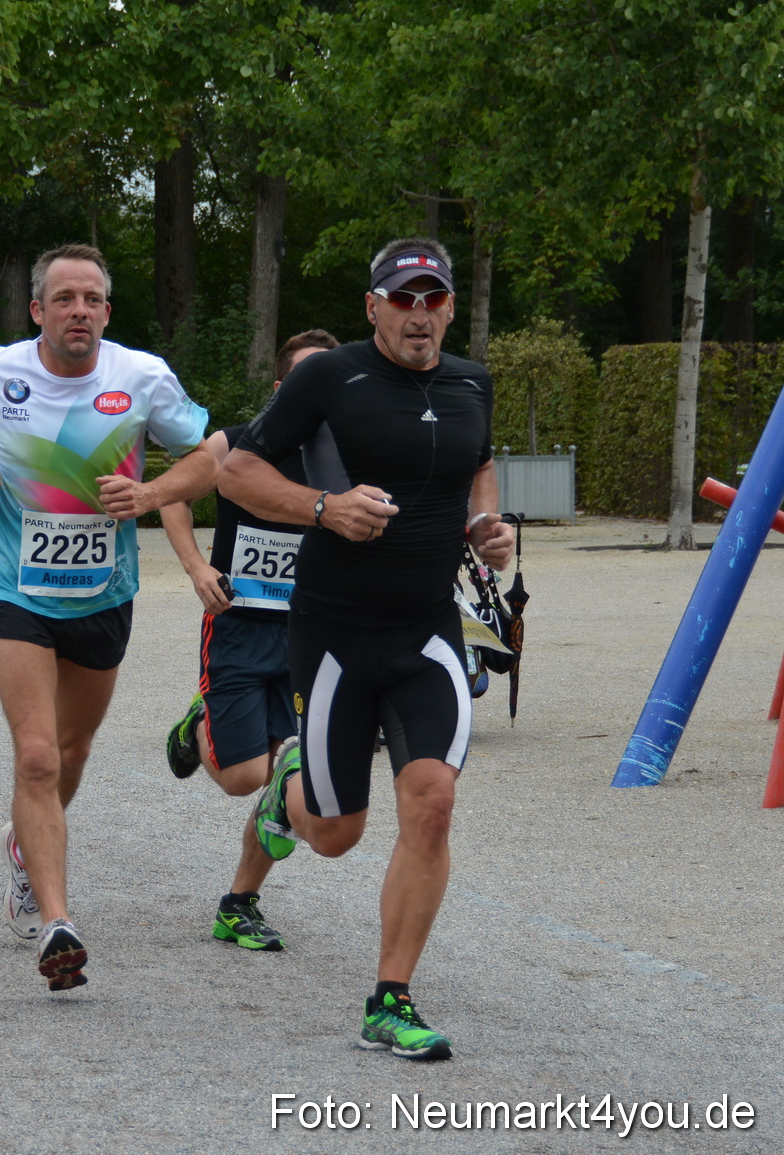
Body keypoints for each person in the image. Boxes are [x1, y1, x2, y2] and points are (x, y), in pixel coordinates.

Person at [219, 238, 515, 1061]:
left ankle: (391, 997)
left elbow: (480, 463)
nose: (419, 314)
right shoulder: (329, 375)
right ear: (373, 306)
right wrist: (324, 508)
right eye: (403, 298)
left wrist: (485, 525)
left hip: (426, 631)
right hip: (335, 636)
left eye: (433, 298)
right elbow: (236, 472)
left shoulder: (472, 381)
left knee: (433, 800)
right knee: (335, 833)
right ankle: (288, 791)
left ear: (449, 306)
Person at [0, 244, 214, 991]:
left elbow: (209, 454)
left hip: (103, 592)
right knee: (36, 756)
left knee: (72, 747)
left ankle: (25, 844)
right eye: (64, 298)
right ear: (38, 310)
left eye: (91, 299)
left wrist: (150, 495)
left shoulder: (142, 376)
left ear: (107, 312)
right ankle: (57, 918)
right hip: (14, 586)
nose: (78, 310)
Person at [160, 329, 340, 953]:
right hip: (238, 625)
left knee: (286, 776)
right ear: (281, 388)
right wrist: (196, 568)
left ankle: (239, 903)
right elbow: (173, 497)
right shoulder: (235, 443)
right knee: (243, 778)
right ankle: (196, 725)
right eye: (307, 379)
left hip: (308, 636)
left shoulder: (346, 459)